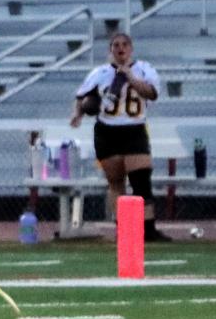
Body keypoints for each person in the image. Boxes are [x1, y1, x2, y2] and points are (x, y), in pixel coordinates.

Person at [70, 31, 167, 242]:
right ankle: (124, 229)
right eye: (116, 45)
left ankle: (148, 230)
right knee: (116, 182)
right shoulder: (100, 72)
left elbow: (151, 93)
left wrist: (131, 77)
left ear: (131, 48)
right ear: (110, 50)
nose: (120, 48)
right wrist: (77, 113)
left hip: (134, 129)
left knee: (141, 181)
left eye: (124, 44)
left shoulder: (144, 69)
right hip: (107, 131)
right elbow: (82, 97)